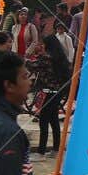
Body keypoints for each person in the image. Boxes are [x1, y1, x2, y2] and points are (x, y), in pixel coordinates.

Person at [33, 27, 71, 156]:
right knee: (54, 119)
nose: (42, 46)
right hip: (58, 91)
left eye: (43, 44)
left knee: (44, 119)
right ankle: (55, 150)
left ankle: (41, 152)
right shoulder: (60, 57)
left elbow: (31, 66)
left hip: (49, 92)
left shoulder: (47, 58)